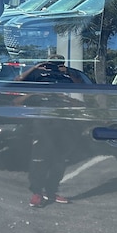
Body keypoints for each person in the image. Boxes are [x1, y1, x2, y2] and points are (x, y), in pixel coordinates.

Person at [16, 56, 82, 206]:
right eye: (52, 63)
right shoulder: (38, 74)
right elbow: (17, 81)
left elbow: (81, 85)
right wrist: (35, 68)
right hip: (43, 116)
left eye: (59, 63)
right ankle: (37, 192)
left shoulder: (68, 74)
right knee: (40, 157)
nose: (54, 66)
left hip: (64, 117)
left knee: (60, 159)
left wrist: (68, 71)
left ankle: (51, 191)